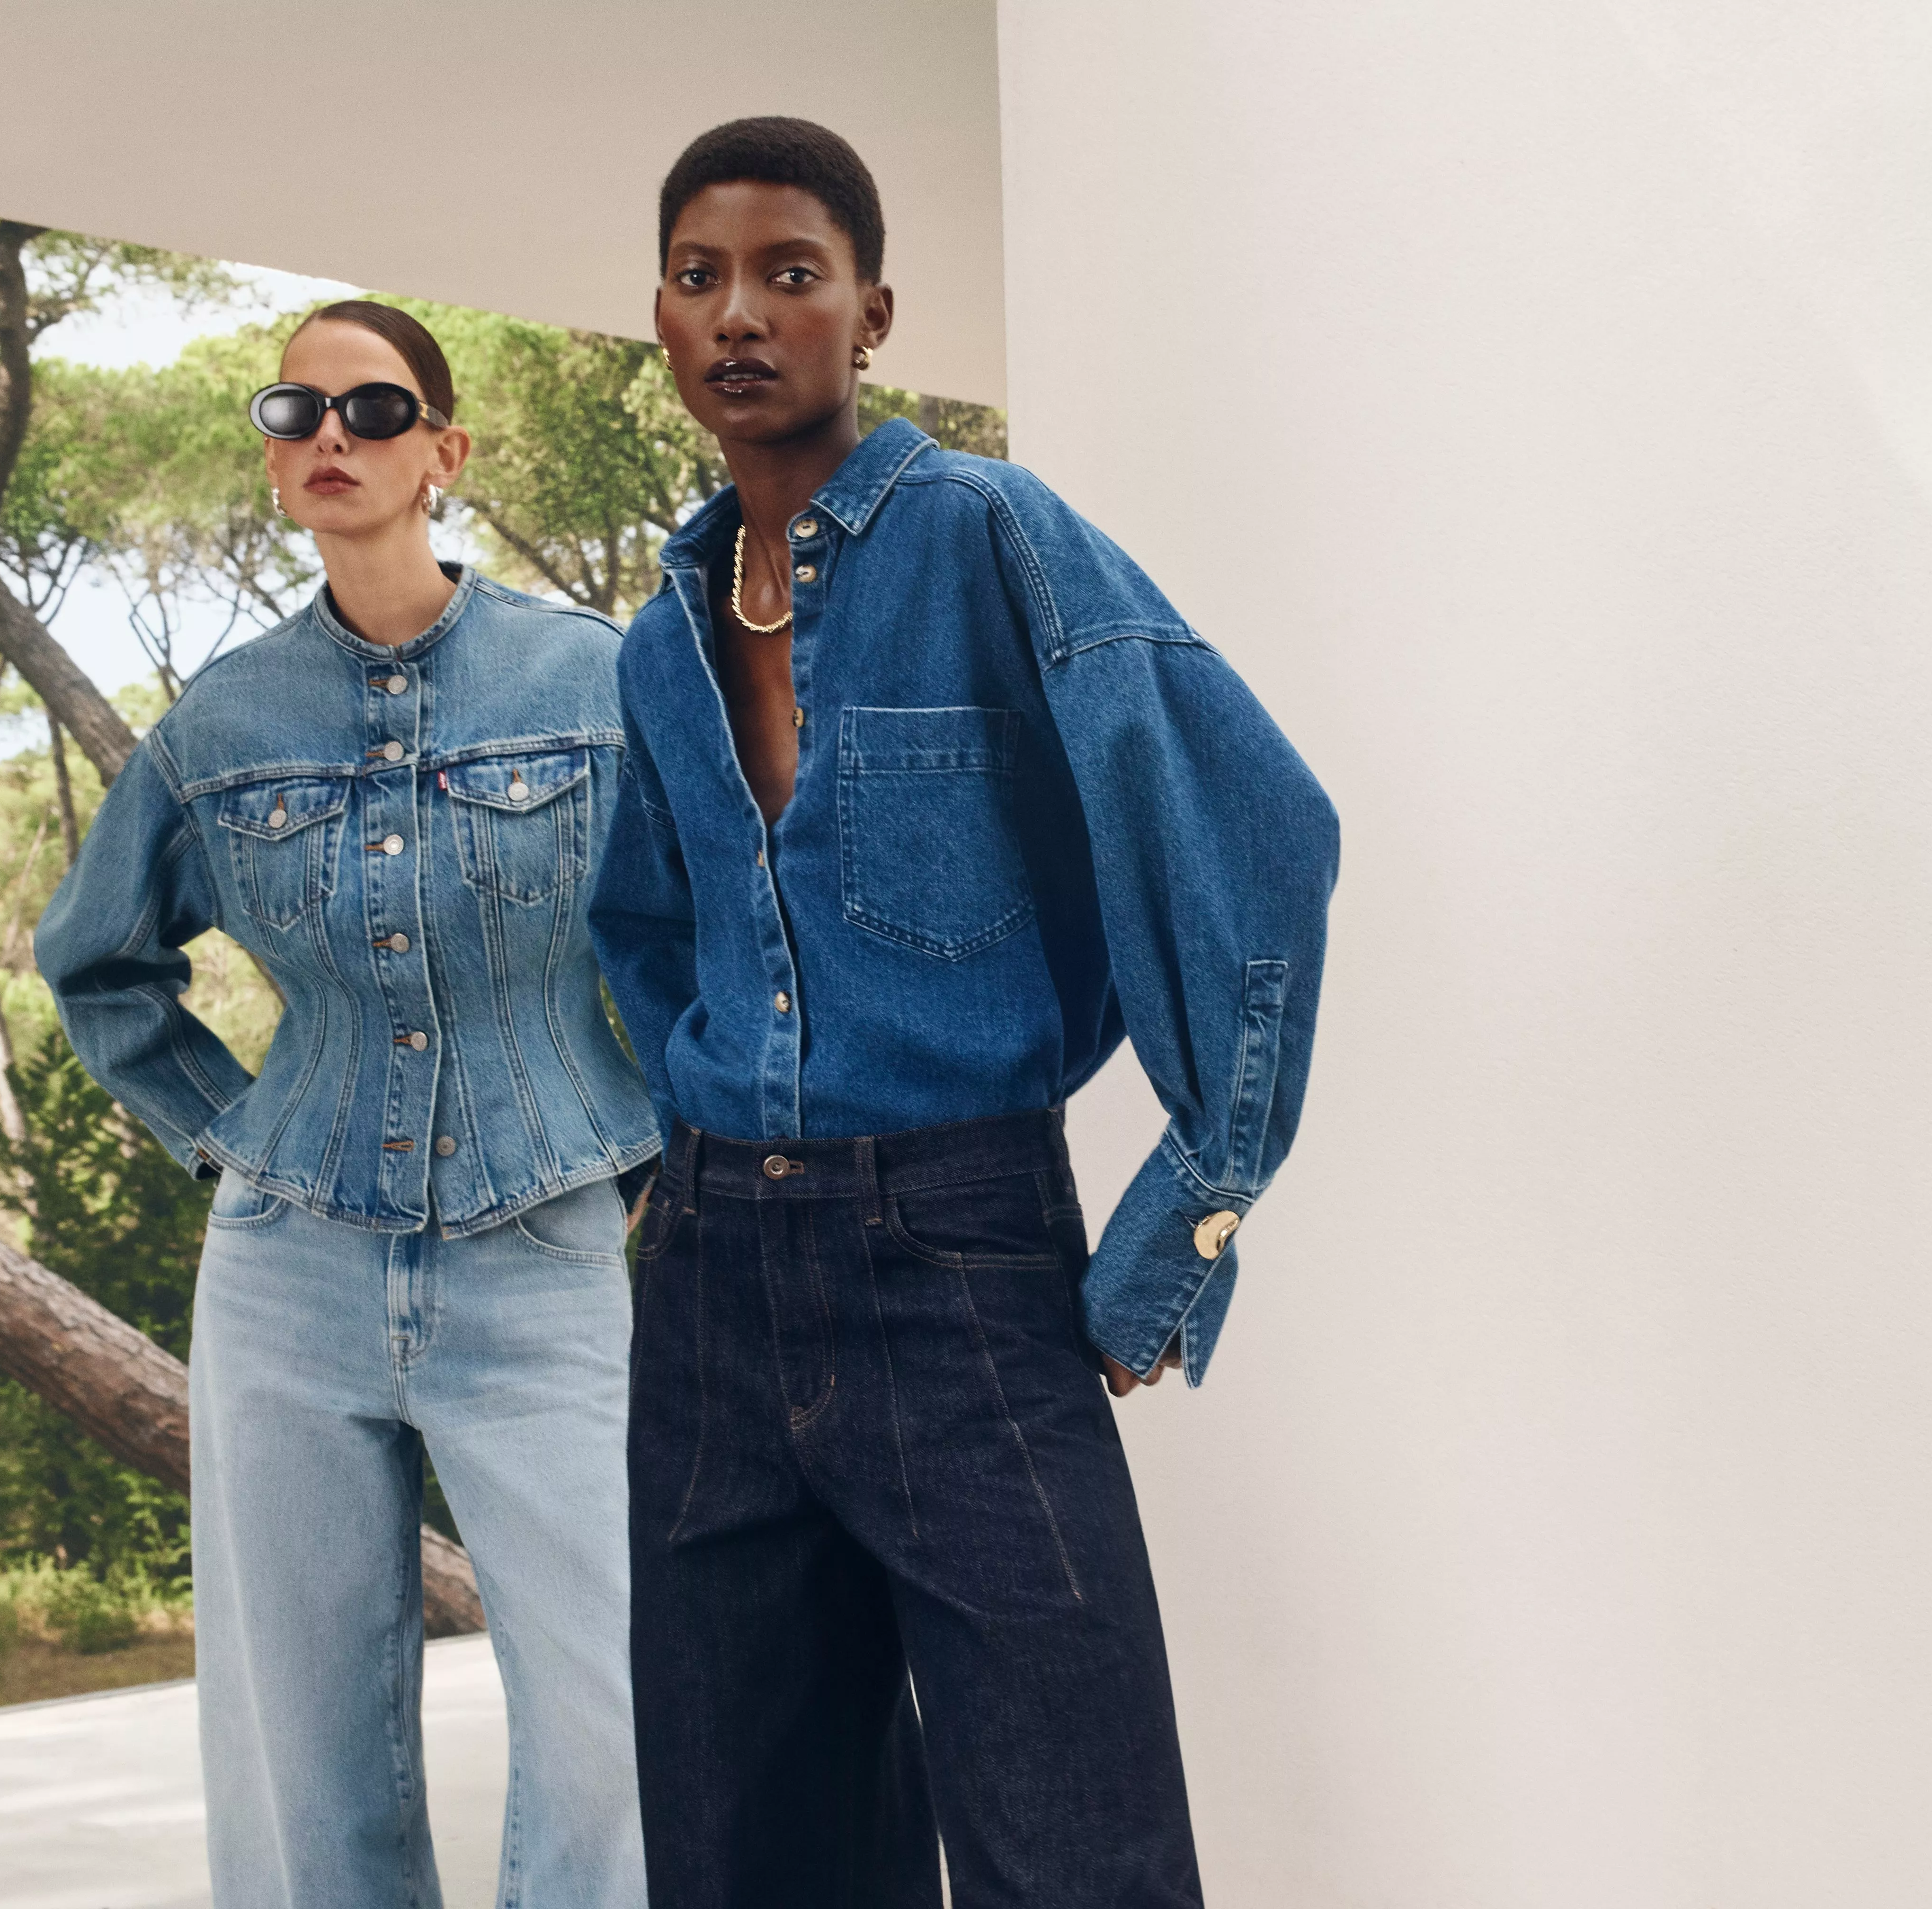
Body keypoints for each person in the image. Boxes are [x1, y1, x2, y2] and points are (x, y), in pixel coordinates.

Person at [593, 117, 1339, 1908]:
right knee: (749, 1850)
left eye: (792, 274)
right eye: (702, 279)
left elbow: (1259, 830)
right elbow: (644, 934)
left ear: (876, 313)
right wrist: (670, 1163)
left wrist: (1187, 1216)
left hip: (959, 1261)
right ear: (664, 320)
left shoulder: (993, 538)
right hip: (708, 1303)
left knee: (1074, 1847)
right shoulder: (655, 644)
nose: (743, 316)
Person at [36, 300, 659, 1909]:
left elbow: (712, 939)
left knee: (621, 1722)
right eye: (294, 409)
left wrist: (652, 1150)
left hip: (547, 1255)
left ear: (444, 453)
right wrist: (225, 1138)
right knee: (299, 1740)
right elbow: (98, 962)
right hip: (288, 1272)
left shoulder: (593, 677)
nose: (331, 436)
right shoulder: (223, 722)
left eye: (375, 411)